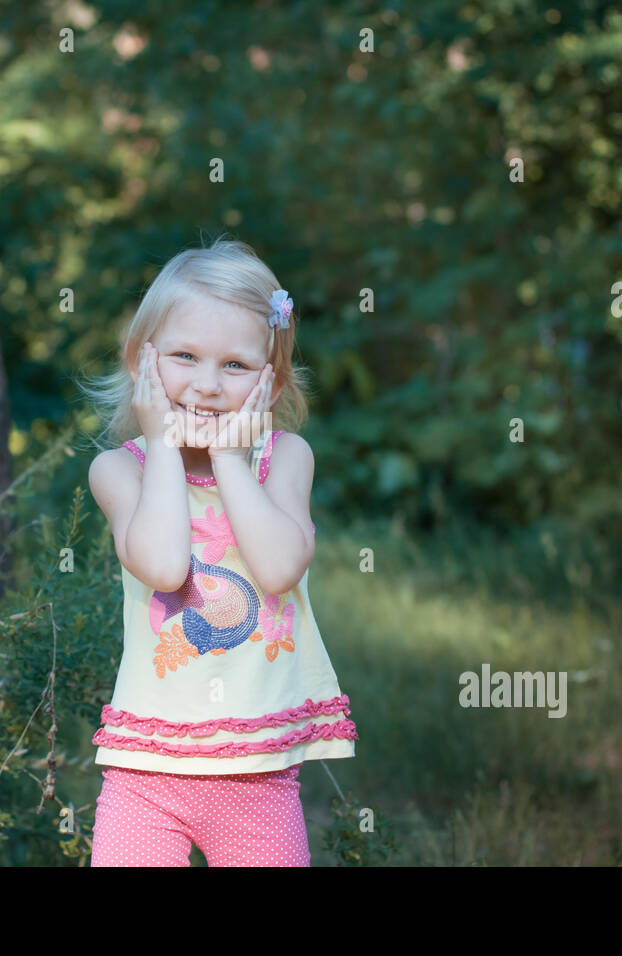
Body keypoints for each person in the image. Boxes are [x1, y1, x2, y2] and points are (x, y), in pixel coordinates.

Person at [78, 235, 357, 866]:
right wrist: (166, 447)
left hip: (257, 772)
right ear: (141, 361)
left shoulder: (284, 459)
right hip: (147, 773)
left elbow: (281, 568)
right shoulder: (120, 472)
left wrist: (231, 456)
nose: (205, 386)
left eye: (234, 366)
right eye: (184, 357)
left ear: (271, 379)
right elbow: (164, 565)